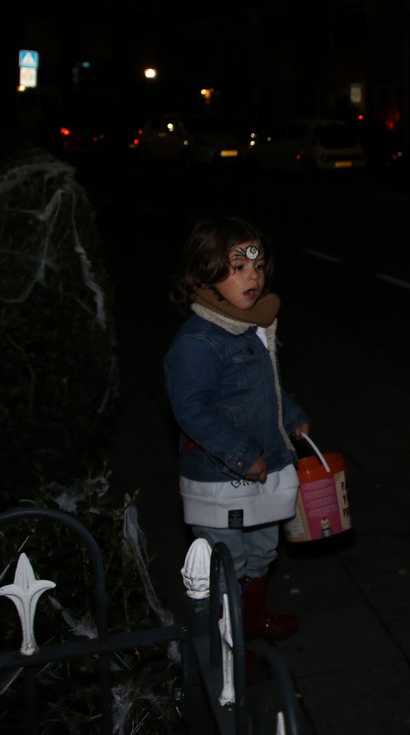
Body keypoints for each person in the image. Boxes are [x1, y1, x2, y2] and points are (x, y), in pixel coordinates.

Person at [164, 217, 309, 639]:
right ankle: (228, 639)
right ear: (204, 274)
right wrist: (243, 456)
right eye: (239, 267)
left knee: (263, 548)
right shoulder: (199, 341)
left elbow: (269, 386)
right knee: (228, 559)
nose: (253, 277)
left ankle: (253, 616)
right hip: (223, 475)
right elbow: (192, 410)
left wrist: (292, 416)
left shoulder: (255, 325)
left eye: (258, 266)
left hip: (267, 465)